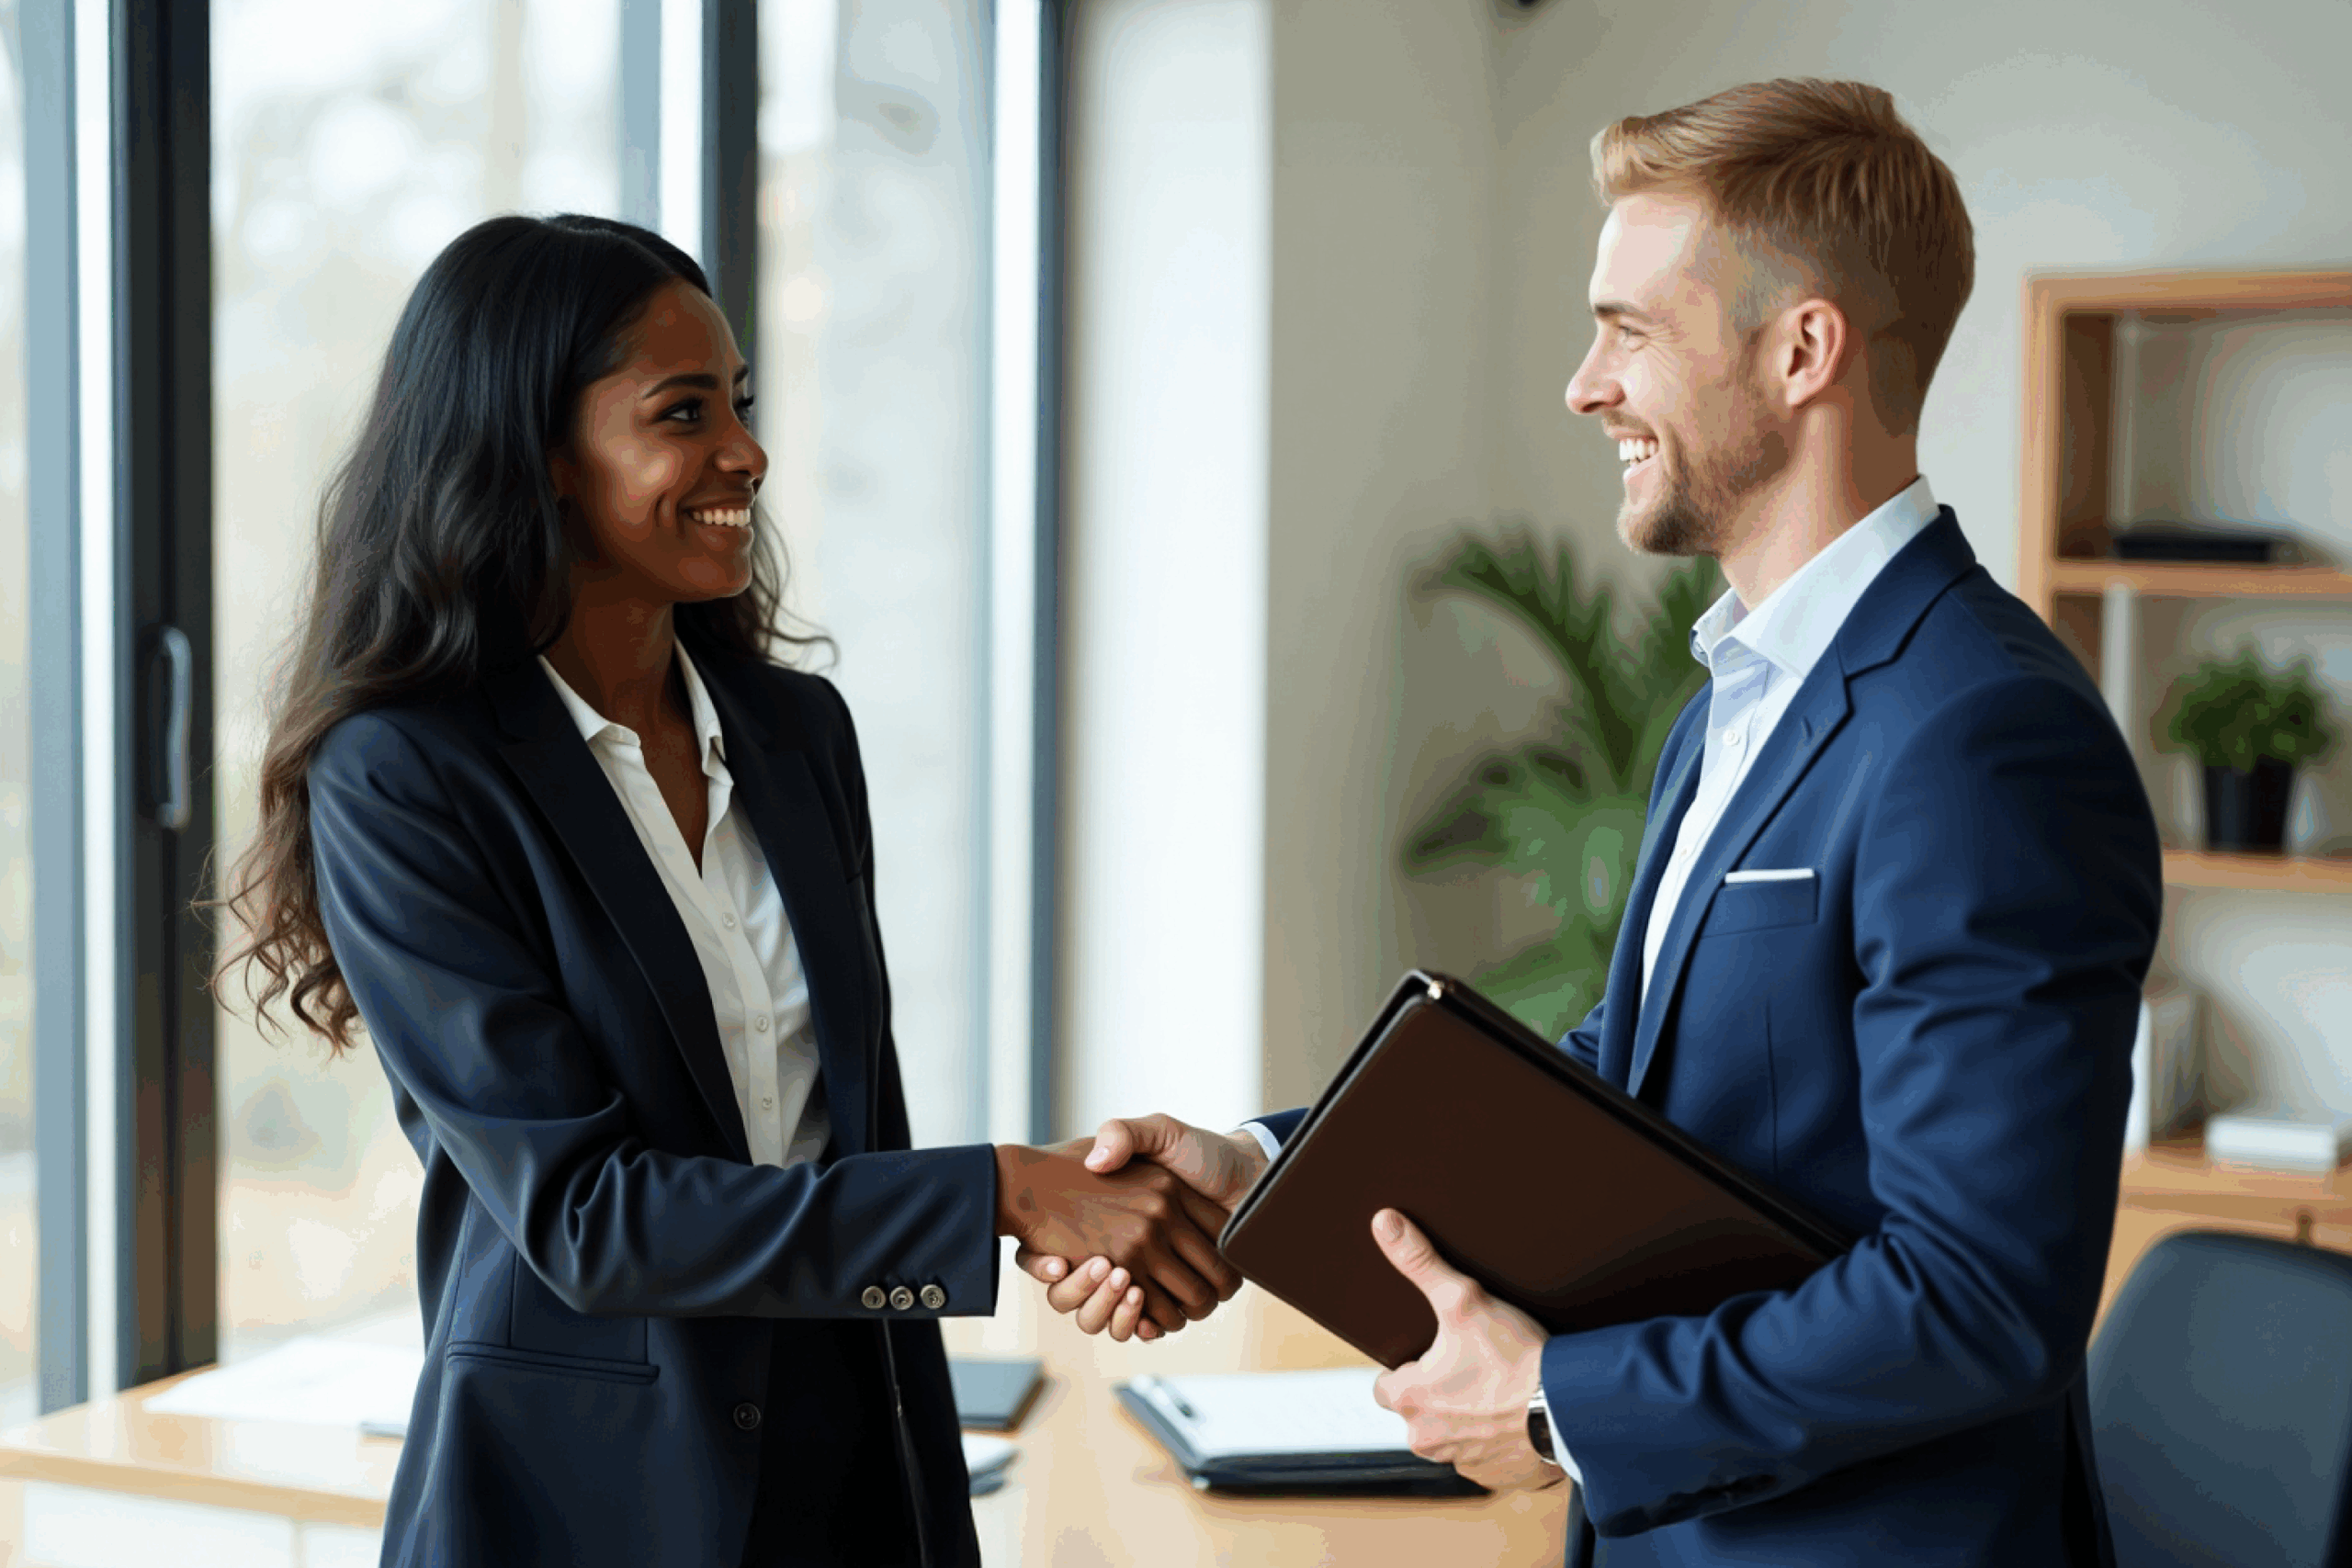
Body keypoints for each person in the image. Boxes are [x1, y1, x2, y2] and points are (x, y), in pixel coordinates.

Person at [1026, 80, 2162, 1567]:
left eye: (1629, 328)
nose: (1584, 382)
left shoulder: (1980, 732)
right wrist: (1266, 1169)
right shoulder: (1743, 688)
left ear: (1803, 348)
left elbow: (1979, 1295)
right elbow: (1636, 1092)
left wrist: (1565, 1401)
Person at [216, 212, 1240, 1568]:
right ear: (539, 456)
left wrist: (1058, 1210)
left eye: (740, 405)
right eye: (682, 413)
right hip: (576, 1506)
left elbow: (849, 1130)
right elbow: (588, 1217)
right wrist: (1006, 1191)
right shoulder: (405, 774)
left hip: (859, 1468)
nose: (745, 453)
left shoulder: (797, 733)